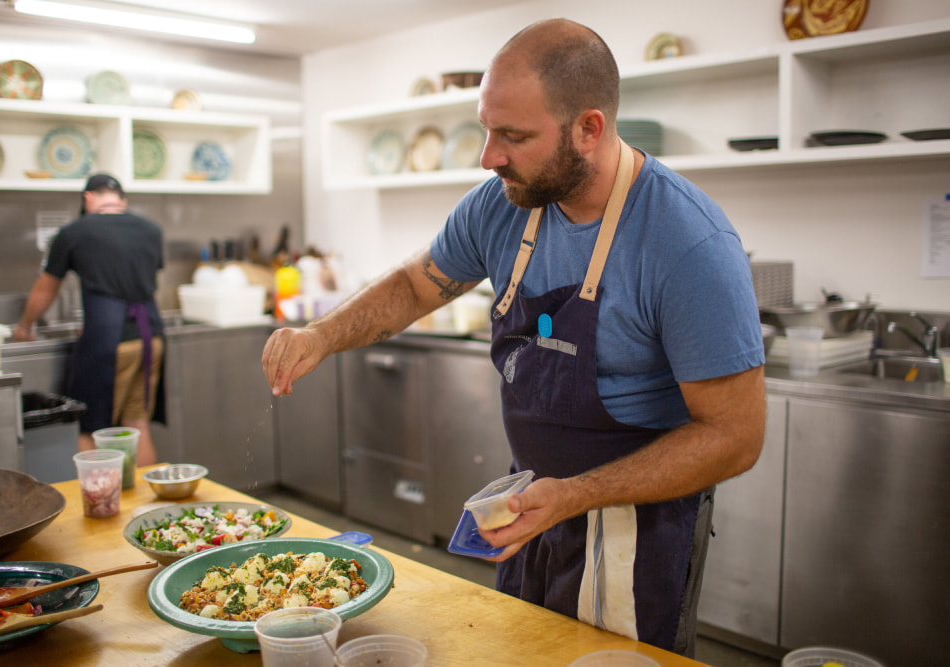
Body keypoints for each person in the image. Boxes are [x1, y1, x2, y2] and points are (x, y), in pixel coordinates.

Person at [262, 19, 765, 656]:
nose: (488, 155)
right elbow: (418, 285)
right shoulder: (504, 202)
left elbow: (735, 437)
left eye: (514, 136)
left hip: (633, 529)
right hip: (529, 506)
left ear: (590, 128)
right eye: (487, 129)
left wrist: (575, 496)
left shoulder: (686, 243)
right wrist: (322, 334)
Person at [13, 173, 165, 466]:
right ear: (122, 200)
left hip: (108, 340)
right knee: (138, 424)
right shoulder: (151, 230)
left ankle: (95, 506)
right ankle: (147, 505)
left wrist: (25, 326)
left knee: (91, 427)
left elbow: (47, 288)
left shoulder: (74, 232)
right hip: (151, 335)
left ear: (87, 198)